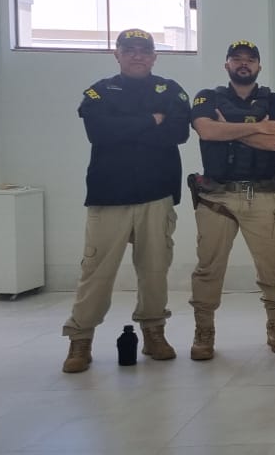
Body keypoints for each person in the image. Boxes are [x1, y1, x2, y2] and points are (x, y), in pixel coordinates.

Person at [61, 28, 191, 373]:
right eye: (129, 49)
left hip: (156, 194)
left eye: (144, 50)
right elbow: (99, 132)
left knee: (155, 270)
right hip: (109, 195)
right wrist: (151, 120)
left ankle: (154, 333)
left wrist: (125, 126)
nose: (137, 56)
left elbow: (178, 132)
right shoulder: (100, 91)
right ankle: (80, 340)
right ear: (116, 54)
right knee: (96, 272)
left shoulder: (170, 90)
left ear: (154, 57)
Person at [187, 40, 275, 360]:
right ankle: (204, 331)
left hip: (262, 195)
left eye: (250, 59)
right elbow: (206, 131)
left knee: (274, 268)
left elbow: (274, 142)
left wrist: (227, 127)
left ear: (259, 66)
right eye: (237, 59)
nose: (243, 63)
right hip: (216, 197)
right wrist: (257, 127)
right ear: (227, 65)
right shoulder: (206, 97)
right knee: (208, 268)